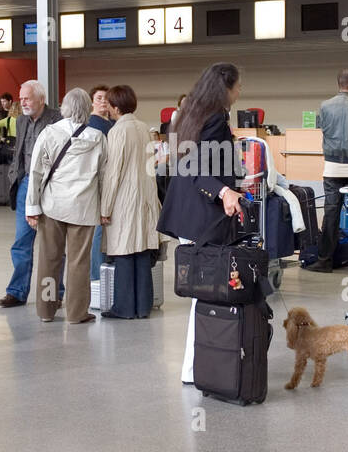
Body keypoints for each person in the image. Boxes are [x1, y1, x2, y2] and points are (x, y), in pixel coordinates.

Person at [158, 63, 245, 385]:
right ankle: (198, 368)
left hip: (187, 215)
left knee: (202, 292)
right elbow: (195, 165)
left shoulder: (186, 114)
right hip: (204, 217)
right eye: (238, 86)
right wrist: (224, 190)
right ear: (226, 88)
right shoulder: (215, 118)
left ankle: (196, 367)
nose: (240, 92)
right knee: (207, 293)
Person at [26, 89, 105, 324]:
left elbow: (36, 172)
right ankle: (76, 313)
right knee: (79, 263)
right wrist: (104, 208)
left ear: (65, 107)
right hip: (84, 207)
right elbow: (104, 176)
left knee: (49, 259)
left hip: (52, 205)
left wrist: (32, 207)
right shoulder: (97, 137)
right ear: (88, 108)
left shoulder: (50, 133)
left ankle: (46, 310)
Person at [0, 80, 62, 308]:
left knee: (53, 243)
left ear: (41, 99)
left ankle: (56, 292)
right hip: (26, 184)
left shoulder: (57, 119)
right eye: (21, 98)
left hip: (51, 187)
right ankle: (17, 291)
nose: (22, 102)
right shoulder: (21, 120)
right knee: (21, 241)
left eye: (27, 98)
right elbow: (20, 153)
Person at [99, 85, 161, 319]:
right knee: (142, 250)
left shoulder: (117, 131)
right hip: (145, 196)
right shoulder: (145, 128)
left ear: (116, 107)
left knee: (124, 251)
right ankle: (143, 306)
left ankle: (124, 308)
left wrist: (105, 208)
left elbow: (113, 172)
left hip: (124, 198)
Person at [306, 68, 348, 273]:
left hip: (332, 167)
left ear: (338, 84)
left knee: (331, 213)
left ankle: (325, 260)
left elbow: (323, 131)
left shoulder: (325, 106)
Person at [86, 85, 114, 281]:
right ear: (92, 101)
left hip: (112, 179)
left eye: (106, 98)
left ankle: (106, 272)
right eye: (99, 98)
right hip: (97, 180)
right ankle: (96, 277)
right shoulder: (91, 123)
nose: (103, 101)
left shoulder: (113, 122)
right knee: (98, 230)